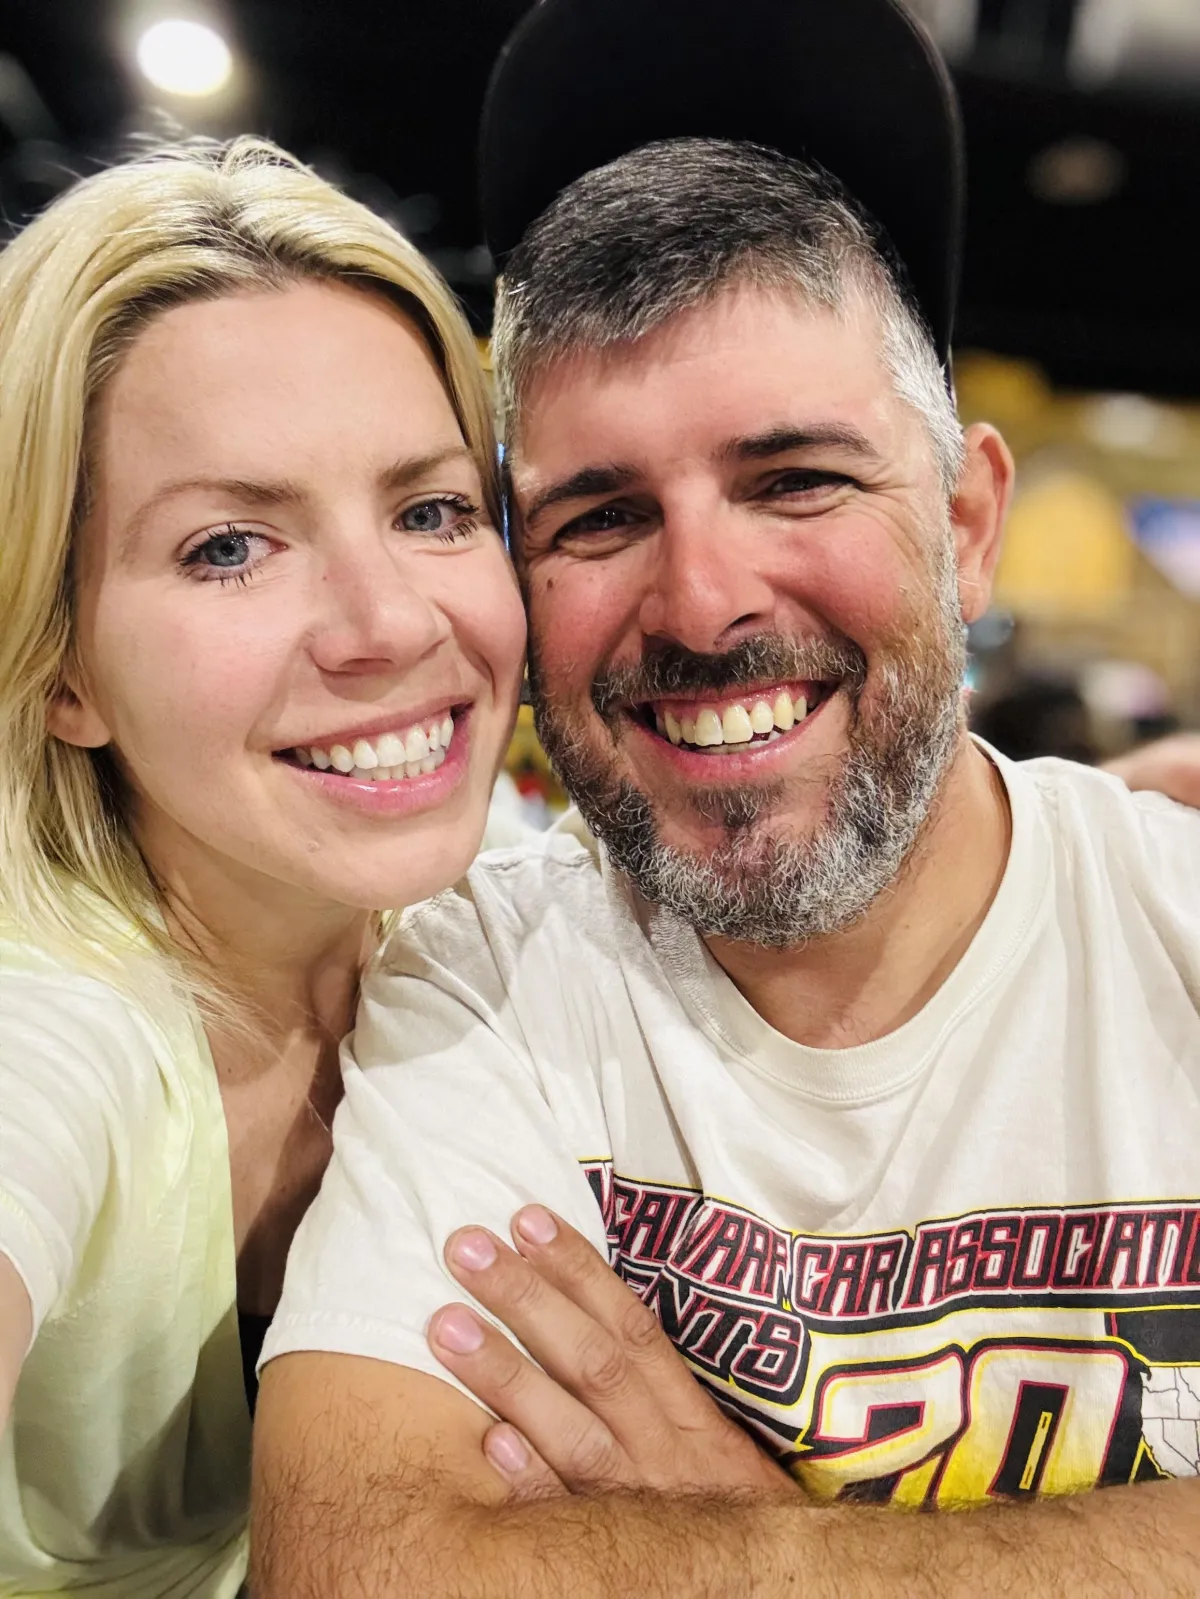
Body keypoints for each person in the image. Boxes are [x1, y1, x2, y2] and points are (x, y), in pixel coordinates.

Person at [252, 1, 1200, 1592]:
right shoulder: (481, 977)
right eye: (600, 516)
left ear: (966, 527)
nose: (701, 604)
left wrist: (743, 1521)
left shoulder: (1173, 925)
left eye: (796, 480)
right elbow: (361, 1564)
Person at [0, 138, 524, 1594]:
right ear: (61, 670)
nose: (388, 622)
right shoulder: (49, 1023)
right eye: (230, 546)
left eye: (431, 511)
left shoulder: (492, 936)